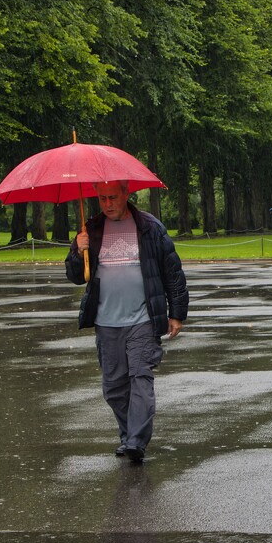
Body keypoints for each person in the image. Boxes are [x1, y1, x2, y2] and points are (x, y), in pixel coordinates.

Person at [66, 180, 188, 463]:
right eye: (102, 198)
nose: (107, 204)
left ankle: (136, 442)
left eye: (112, 197)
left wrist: (177, 313)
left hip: (143, 320)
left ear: (126, 195)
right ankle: (129, 435)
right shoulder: (92, 229)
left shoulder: (149, 227)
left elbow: (173, 271)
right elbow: (76, 277)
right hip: (107, 322)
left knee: (141, 378)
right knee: (114, 388)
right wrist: (76, 249)